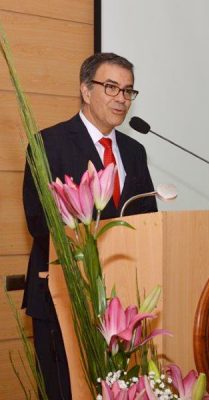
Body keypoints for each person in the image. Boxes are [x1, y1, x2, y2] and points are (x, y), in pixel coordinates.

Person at [22, 53, 157, 399]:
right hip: (64, 299)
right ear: (85, 89)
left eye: (128, 91)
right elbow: (40, 219)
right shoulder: (48, 143)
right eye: (111, 87)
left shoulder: (135, 150)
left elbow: (149, 220)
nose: (121, 99)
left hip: (123, 305)